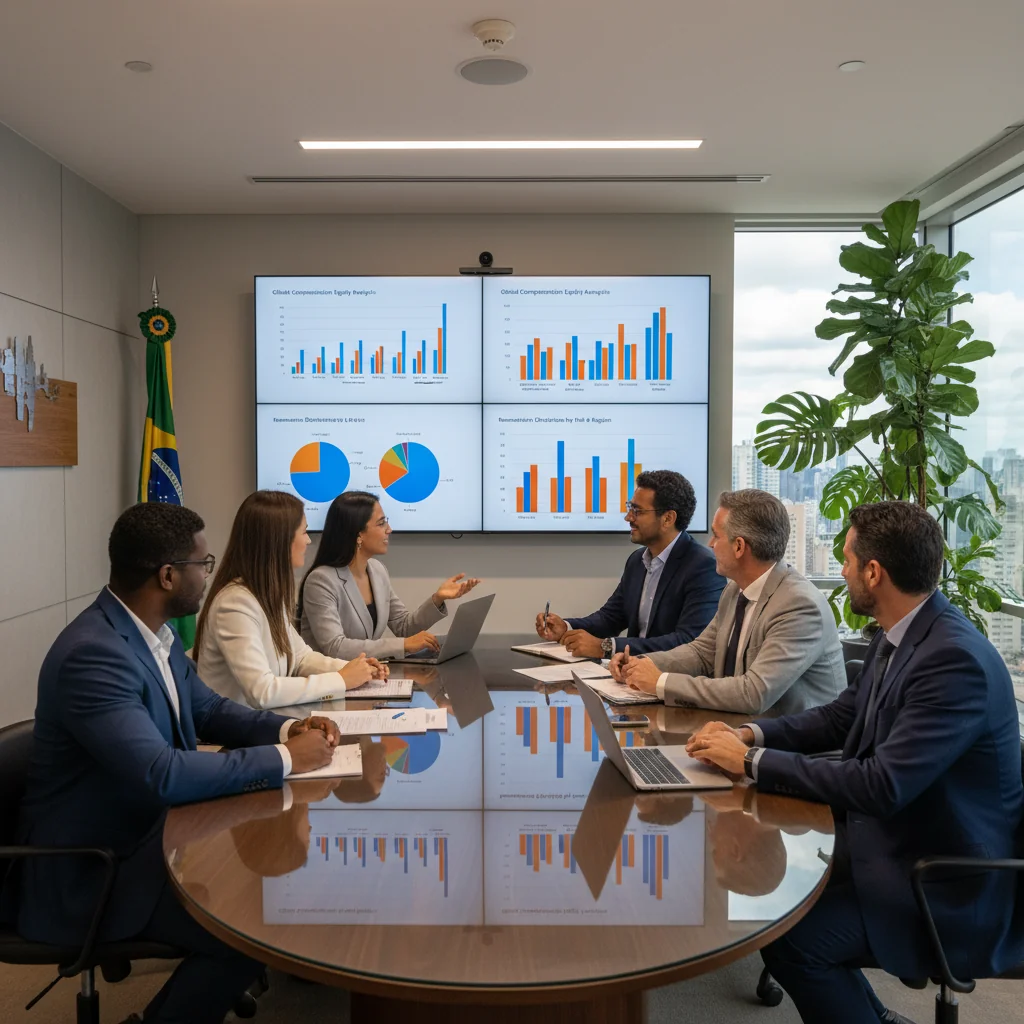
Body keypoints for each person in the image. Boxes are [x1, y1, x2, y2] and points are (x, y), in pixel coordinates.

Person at [685, 501, 1024, 1024]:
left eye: (845, 558)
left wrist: (752, 762)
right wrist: (750, 732)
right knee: (775, 906)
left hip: (940, 875)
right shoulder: (904, 632)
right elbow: (841, 717)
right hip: (892, 836)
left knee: (794, 941)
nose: (839, 570)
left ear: (874, 572)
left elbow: (881, 785)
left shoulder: (953, 661)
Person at [9, 502, 343, 1024]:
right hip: (95, 868)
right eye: (202, 566)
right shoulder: (93, 654)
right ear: (167, 575)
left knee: (266, 889)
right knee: (251, 928)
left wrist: (285, 728)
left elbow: (209, 710)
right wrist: (283, 758)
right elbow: (161, 774)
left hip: (155, 837)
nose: (209, 577)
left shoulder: (152, 636)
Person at [612, 488, 845, 715]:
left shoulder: (799, 606)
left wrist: (661, 682)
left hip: (796, 748)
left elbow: (753, 693)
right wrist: (638, 664)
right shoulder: (735, 589)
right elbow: (701, 653)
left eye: (716, 535)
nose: (710, 544)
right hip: (740, 732)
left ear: (739, 546)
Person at [195, 490, 387, 709]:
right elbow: (262, 692)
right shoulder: (235, 603)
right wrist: (342, 679)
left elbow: (301, 658)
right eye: (304, 532)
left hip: (264, 725)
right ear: (279, 540)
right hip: (231, 738)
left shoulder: (265, 594)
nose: (308, 540)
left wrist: (355, 668)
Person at [534, 470, 724, 658]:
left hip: (669, 681)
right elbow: (611, 618)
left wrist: (607, 647)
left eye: (638, 511)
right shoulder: (637, 561)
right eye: (630, 508)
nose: (628, 518)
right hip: (629, 676)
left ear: (668, 518)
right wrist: (566, 628)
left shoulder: (703, 567)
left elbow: (688, 642)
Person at [299, 490, 480, 660]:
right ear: (358, 535)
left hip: (364, 678)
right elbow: (335, 647)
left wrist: (437, 598)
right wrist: (403, 645)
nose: (389, 529)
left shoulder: (377, 570)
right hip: (331, 683)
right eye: (381, 523)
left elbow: (404, 627)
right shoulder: (321, 581)